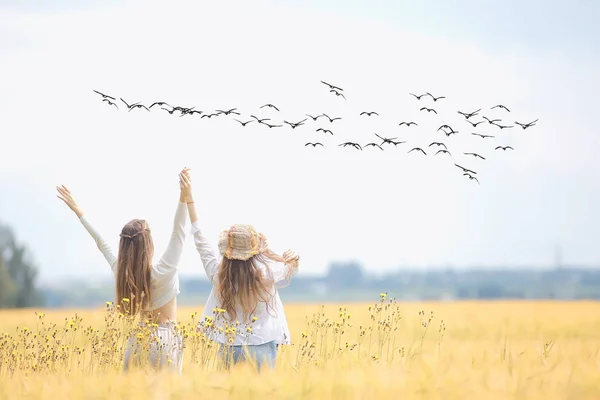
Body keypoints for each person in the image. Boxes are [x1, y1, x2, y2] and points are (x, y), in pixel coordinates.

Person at [55, 168, 193, 373]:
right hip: (167, 342)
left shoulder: (122, 272)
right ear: (149, 242)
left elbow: (101, 242)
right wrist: (184, 196)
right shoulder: (165, 271)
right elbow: (179, 231)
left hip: (137, 342)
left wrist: (78, 211)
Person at [178, 169, 299, 371]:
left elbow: (200, 239)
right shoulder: (268, 274)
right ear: (256, 250)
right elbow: (290, 267)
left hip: (229, 347)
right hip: (263, 345)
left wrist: (189, 198)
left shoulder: (218, 274)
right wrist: (292, 259)